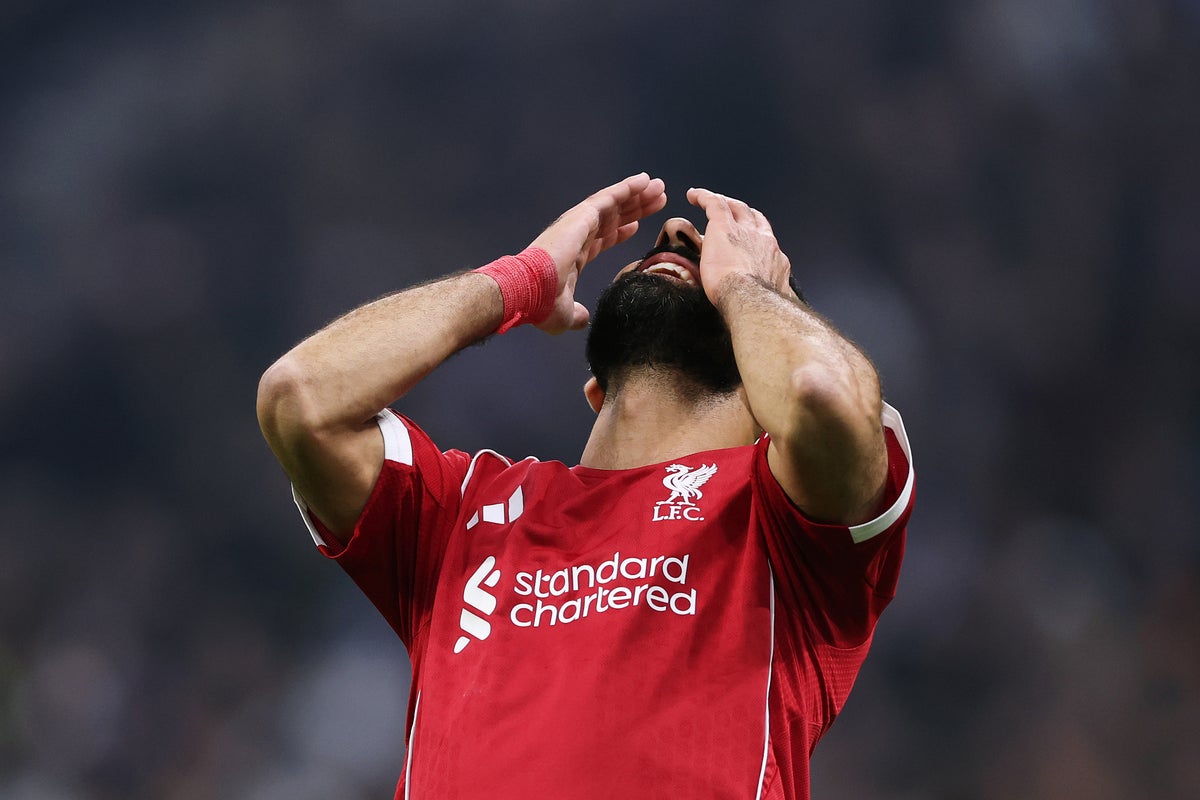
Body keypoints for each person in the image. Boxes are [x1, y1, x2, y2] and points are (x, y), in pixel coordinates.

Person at [257, 173, 914, 799]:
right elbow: (301, 398)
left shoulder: (794, 529)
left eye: (713, 257)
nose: (679, 233)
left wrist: (750, 285)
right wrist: (519, 278)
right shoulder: (465, 508)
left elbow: (821, 395)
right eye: (667, 245)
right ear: (594, 392)